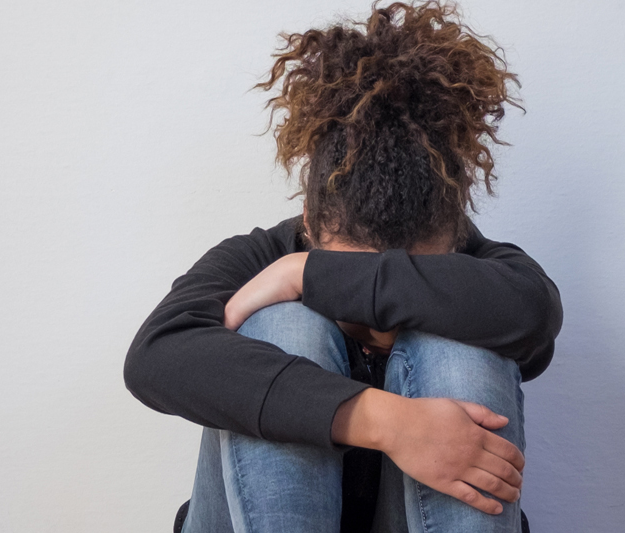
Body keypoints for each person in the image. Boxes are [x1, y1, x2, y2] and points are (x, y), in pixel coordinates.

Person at [124, 2, 563, 532]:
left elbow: (535, 312)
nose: (377, 324)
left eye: (394, 293)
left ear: (455, 238)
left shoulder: (486, 266)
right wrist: (388, 423)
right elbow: (155, 357)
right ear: (307, 224)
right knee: (283, 326)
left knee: (463, 346)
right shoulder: (261, 254)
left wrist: (306, 278)